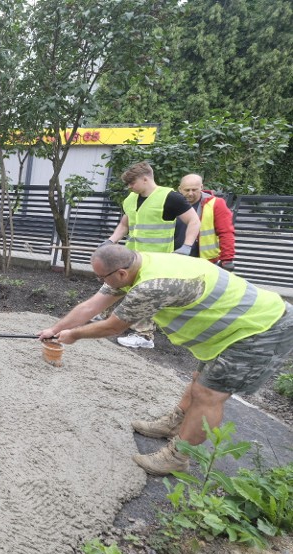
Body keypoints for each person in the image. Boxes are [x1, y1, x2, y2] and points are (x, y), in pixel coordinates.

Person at [38, 244, 293, 476]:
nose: (100, 282)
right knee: (199, 380)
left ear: (121, 274)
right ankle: (176, 423)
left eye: (101, 277)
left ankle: (178, 456)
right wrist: (55, 328)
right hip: (236, 326)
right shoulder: (138, 263)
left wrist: (74, 335)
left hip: (263, 328)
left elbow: (113, 327)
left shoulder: (152, 286)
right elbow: (91, 306)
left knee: (209, 394)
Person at [101, 161, 201, 350]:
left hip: (156, 260)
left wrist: (187, 246)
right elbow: (124, 224)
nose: (130, 187)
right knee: (113, 282)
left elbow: (194, 221)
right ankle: (102, 317)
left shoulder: (170, 197)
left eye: (132, 183)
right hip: (132, 256)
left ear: (145, 179)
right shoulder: (131, 199)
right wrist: (110, 241)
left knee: (145, 295)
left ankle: (144, 336)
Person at [174, 173, 235, 271]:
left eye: (194, 190)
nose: (190, 193)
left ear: (201, 187)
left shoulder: (215, 204)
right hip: (175, 258)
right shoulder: (172, 203)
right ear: (180, 189)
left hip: (204, 261)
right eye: (187, 190)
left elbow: (226, 232)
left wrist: (227, 259)